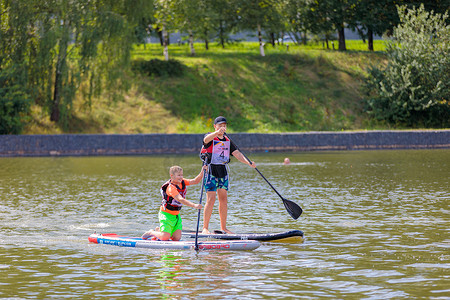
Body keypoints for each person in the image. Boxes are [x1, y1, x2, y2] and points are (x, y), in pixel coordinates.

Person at [200, 116, 256, 234]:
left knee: (223, 200)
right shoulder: (210, 136)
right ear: (215, 126)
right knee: (211, 199)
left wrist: (248, 162)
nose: (222, 127)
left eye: (224, 125)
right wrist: (216, 132)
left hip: (223, 171)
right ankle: (205, 228)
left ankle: (223, 228)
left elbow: (237, 154)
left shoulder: (227, 140)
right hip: (210, 170)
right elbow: (205, 140)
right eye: (219, 125)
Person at [142, 165, 205, 241]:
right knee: (165, 238)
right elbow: (180, 199)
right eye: (178, 175)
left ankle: (160, 231)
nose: (181, 177)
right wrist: (194, 205)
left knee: (176, 238)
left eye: (182, 175)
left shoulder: (182, 182)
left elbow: (196, 181)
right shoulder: (171, 188)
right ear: (172, 176)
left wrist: (203, 171)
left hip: (176, 216)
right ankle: (151, 232)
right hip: (166, 215)